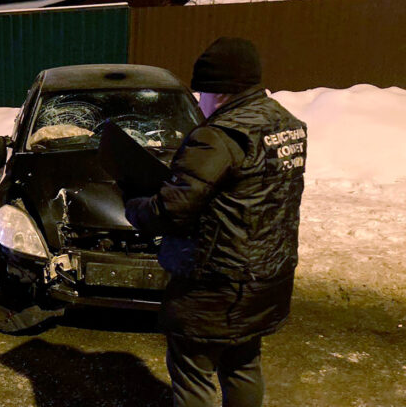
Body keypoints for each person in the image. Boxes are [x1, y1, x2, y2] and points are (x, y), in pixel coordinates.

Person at [124, 37, 308, 407]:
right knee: (243, 363)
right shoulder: (287, 124)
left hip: (214, 286)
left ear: (218, 91)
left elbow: (173, 210)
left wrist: (134, 205)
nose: (198, 102)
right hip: (266, 278)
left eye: (200, 92)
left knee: (193, 373)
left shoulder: (217, 137)